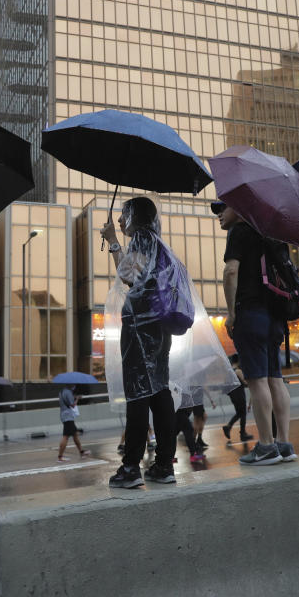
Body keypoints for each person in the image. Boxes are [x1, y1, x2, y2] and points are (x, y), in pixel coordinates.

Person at [102, 197, 179, 487]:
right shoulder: (158, 242)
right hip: (159, 327)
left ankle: (131, 468)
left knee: (137, 392)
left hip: (140, 326)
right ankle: (163, 465)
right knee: (159, 391)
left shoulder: (143, 238)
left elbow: (128, 275)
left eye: (124, 214)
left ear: (136, 216)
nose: (121, 220)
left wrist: (112, 240)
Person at [214, 200, 295, 465]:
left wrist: (232, 313)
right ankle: (283, 443)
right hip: (275, 316)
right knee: (275, 378)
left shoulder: (239, 231)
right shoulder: (271, 235)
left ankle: (266, 446)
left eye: (222, 208)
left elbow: (230, 271)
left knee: (257, 380)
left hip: (250, 312)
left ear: (239, 208)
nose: (219, 214)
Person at [222, 354, 253, 444]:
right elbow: (245, 382)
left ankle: (230, 427)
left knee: (240, 413)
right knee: (242, 413)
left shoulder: (229, 371)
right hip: (239, 394)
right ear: (239, 361)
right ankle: (242, 433)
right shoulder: (238, 371)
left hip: (233, 396)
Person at [57, 383, 90, 462]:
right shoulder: (68, 392)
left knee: (75, 435)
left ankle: (81, 452)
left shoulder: (61, 392)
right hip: (68, 416)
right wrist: (77, 398)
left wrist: (74, 397)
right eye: (73, 384)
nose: (74, 385)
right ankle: (60, 457)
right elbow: (72, 405)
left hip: (64, 415)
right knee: (66, 436)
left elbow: (66, 401)